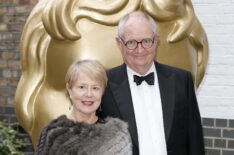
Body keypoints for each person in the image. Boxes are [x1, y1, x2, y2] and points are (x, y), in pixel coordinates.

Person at [101, 11, 205, 155]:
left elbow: (195, 140)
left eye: (146, 41)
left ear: (156, 40)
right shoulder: (103, 84)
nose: (139, 50)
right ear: (119, 43)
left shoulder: (182, 80)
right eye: (131, 42)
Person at [34, 59, 132, 155]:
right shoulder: (53, 135)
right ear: (69, 89)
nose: (89, 94)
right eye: (82, 87)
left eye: (95, 88)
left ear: (102, 92)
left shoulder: (116, 135)